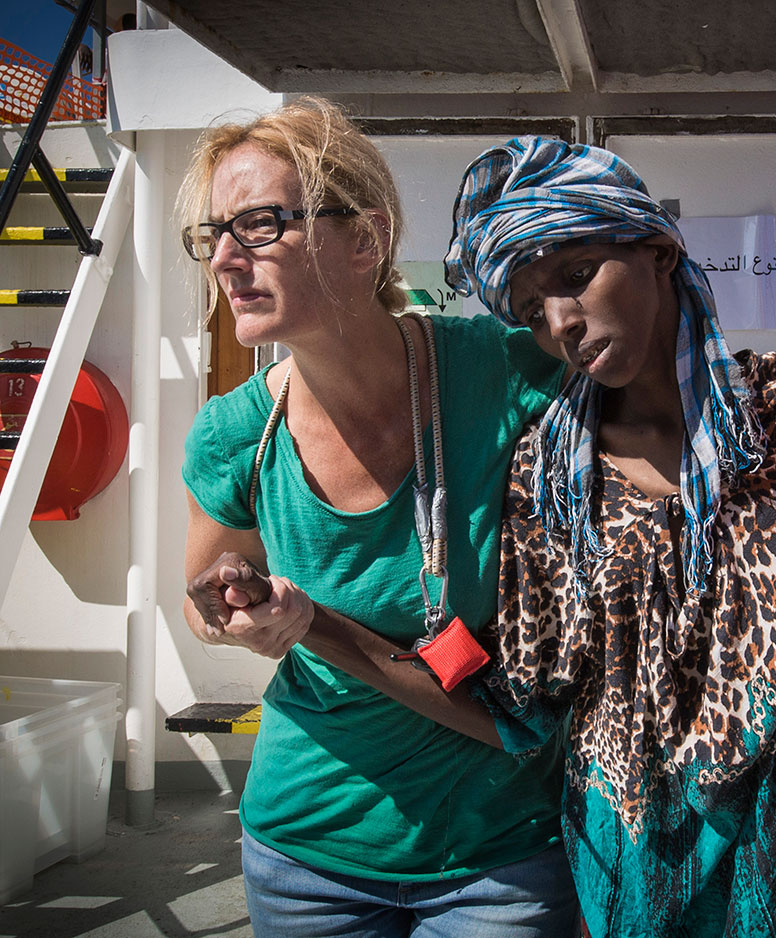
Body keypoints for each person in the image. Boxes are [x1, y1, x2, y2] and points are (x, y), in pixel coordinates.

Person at [193, 136, 776, 937]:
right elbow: (517, 711)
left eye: (576, 276)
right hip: (623, 855)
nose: (563, 322)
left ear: (657, 248)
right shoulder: (550, 479)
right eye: (532, 310)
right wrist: (311, 628)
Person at [177, 98, 578, 936]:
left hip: (501, 852)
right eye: (211, 233)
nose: (223, 258)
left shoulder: (499, 373)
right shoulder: (234, 434)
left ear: (365, 239)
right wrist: (233, 607)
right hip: (305, 857)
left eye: (257, 223)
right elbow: (201, 601)